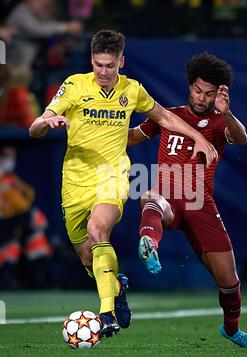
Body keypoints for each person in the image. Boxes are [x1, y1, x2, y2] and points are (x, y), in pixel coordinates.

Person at [29, 30, 218, 338]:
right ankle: (117, 287)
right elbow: (34, 126)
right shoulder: (74, 85)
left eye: (110, 65)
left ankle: (105, 316)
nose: (104, 72)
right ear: (92, 60)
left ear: (121, 61)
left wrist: (199, 138)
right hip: (75, 180)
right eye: (99, 65)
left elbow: (165, 118)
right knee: (88, 258)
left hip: (112, 176)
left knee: (98, 230)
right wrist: (45, 123)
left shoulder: (132, 90)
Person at [128, 52, 247, 349]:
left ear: (218, 94)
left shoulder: (218, 122)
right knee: (150, 195)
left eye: (209, 93)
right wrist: (93, 131)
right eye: (198, 90)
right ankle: (148, 241)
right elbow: (132, 137)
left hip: (200, 203)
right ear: (190, 86)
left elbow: (241, 139)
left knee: (229, 282)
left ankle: (231, 329)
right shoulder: (168, 115)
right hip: (169, 196)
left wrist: (226, 112)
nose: (201, 98)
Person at [0, 145, 52, 289]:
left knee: (38, 238)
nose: (10, 160)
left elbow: (29, 196)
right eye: (6, 156)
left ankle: (41, 282)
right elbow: (18, 206)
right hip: (4, 226)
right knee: (12, 246)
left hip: (15, 224)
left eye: (12, 157)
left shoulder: (11, 178)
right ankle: (6, 283)